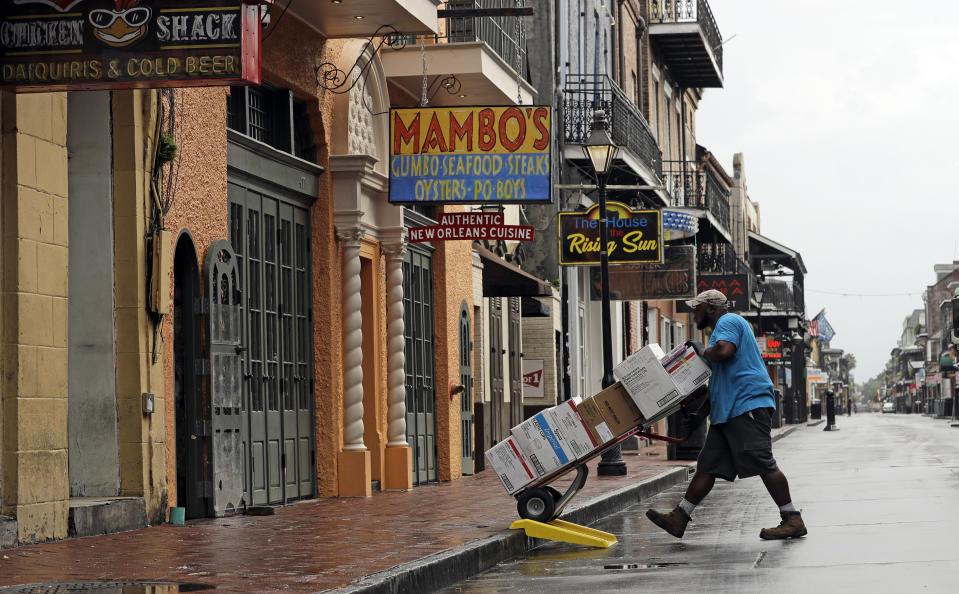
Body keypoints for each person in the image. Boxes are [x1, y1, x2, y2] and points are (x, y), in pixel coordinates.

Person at [645, 289, 807, 540]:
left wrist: (701, 351)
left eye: (696, 308)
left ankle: (792, 518)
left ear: (711, 308)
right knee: (708, 466)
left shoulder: (728, 321)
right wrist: (700, 415)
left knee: (763, 462)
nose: (693, 313)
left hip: (746, 406)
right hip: (729, 412)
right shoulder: (720, 331)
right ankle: (680, 517)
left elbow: (723, 351)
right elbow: (719, 384)